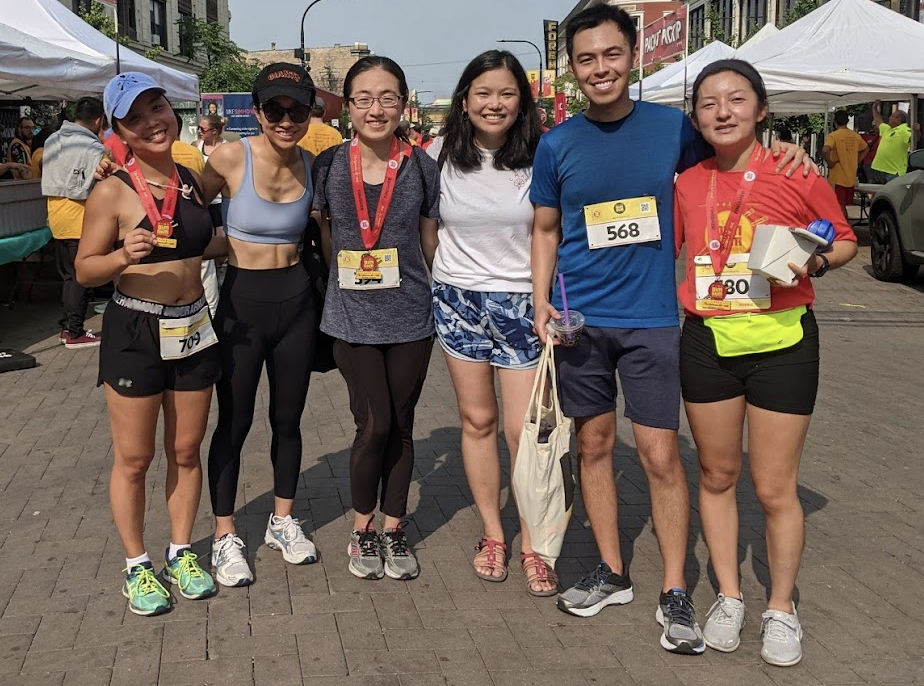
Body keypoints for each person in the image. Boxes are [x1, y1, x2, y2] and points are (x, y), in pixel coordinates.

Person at [529, 3, 811, 655]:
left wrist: (782, 149)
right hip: (579, 322)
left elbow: (733, 153)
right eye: (585, 58)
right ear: (572, 68)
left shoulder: (672, 129)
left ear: (632, 56)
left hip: (654, 318)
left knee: (659, 454)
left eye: (611, 55)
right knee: (594, 447)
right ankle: (612, 571)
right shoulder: (557, 143)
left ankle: (676, 588)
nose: (600, 68)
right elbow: (545, 229)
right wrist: (541, 300)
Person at [674, 59, 857, 667]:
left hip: (783, 341)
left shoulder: (792, 170)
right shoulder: (687, 181)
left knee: (774, 486)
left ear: (761, 109)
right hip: (708, 340)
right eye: (709, 103)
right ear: (695, 117)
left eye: (736, 99)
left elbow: (845, 238)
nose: (722, 112)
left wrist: (817, 262)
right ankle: (729, 596)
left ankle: (781, 608)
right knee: (718, 476)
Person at [75, 72, 225, 616]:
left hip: (192, 327)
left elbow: (207, 241)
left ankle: (181, 552)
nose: (151, 122)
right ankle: (137, 566)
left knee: (186, 451)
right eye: (135, 118)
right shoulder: (112, 189)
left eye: (157, 107)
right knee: (135, 458)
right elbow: (85, 269)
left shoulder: (190, 180)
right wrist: (121, 256)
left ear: (172, 110)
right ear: (119, 130)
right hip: (135, 329)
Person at [426, 50, 553, 595]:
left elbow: (554, 230)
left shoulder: (544, 155)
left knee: (522, 430)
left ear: (521, 100)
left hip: (522, 303)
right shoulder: (437, 154)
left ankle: (533, 542)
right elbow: (429, 227)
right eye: (483, 93)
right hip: (458, 302)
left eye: (505, 93)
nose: (494, 103)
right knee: (476, 421)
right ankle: (493, 534)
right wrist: (445, 278)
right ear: (464, 100)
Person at [313, 56, 439, 582]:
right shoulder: (327, 165)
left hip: (411, 317)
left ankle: (393, 527)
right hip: (351, 318)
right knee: (374, 424)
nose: (376, 108)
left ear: (404, 103)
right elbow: (325, 235)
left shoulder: (421, 166)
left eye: (388, 97)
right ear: (348, 108)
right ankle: (362, 531)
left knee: (403, 426)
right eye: (363, 98)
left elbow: (428, 240)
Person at [201, 63, 319, 587]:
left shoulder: (314, 165)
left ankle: (282, 520)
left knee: (288, 421)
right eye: (276, 109)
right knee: (234, 422)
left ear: (310, 113)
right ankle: (225, 535)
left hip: (296, 305)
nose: (286, 120)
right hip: (241, 306)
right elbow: (182, 210)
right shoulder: (230, 155)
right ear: (258, 111)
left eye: (297, 110)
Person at [41, 97, 107, 349]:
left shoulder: (52, 139)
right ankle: (75, 331)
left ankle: (67, 327)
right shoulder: (92, 147)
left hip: (56, 214)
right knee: (81, 276)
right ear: (99, 120)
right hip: (80, 216)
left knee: (69, 276)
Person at [193, 114, 227, 316]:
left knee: (222, 244)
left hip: (221, 204)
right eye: (199, 128)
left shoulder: (227, 148)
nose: (199, 131)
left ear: (214, 131)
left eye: (203, 129)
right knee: (207, 246)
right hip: (204, 203)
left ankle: (222, 279)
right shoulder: (195, 147)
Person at [822, 110, 867, 219]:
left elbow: (825, 150)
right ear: (847, 121)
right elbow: (866, 148)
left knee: (837, 205)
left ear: (835, 122)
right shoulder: (854, 136)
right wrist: (856, 160)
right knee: (843, 205)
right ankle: (844, 226)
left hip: (837, 177)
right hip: (850, 176)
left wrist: (830, 163)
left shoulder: (834, 136)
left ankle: (844, 227)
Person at [869, 100, 912, 183]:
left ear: (898, 119)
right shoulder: (888, 129)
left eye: (892, 116)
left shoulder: (905, 130)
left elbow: (913, 139)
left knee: (893, 194)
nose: (889, 118)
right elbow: (879, 121)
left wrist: (917, 131)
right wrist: (874, 108)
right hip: (878, 169)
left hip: (893, 172)